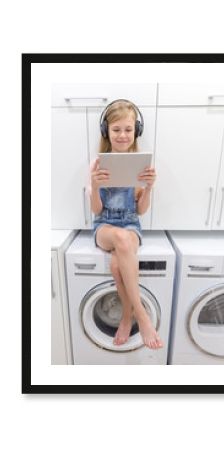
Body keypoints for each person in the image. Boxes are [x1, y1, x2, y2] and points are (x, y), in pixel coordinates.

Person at [89, 99, 163, 350]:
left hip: (131, 223)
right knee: (120, 239)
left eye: (128, 129)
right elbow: (96, 210)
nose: (122, 135)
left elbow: (140, 210)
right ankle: (142, 317)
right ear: (106, 132)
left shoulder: (141, 164)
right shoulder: (98, 164)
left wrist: (149, 188)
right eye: (116, 129)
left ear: (136, 131)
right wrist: (95, 185)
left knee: (117, 264)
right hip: (105, 226)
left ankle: (126, 317)